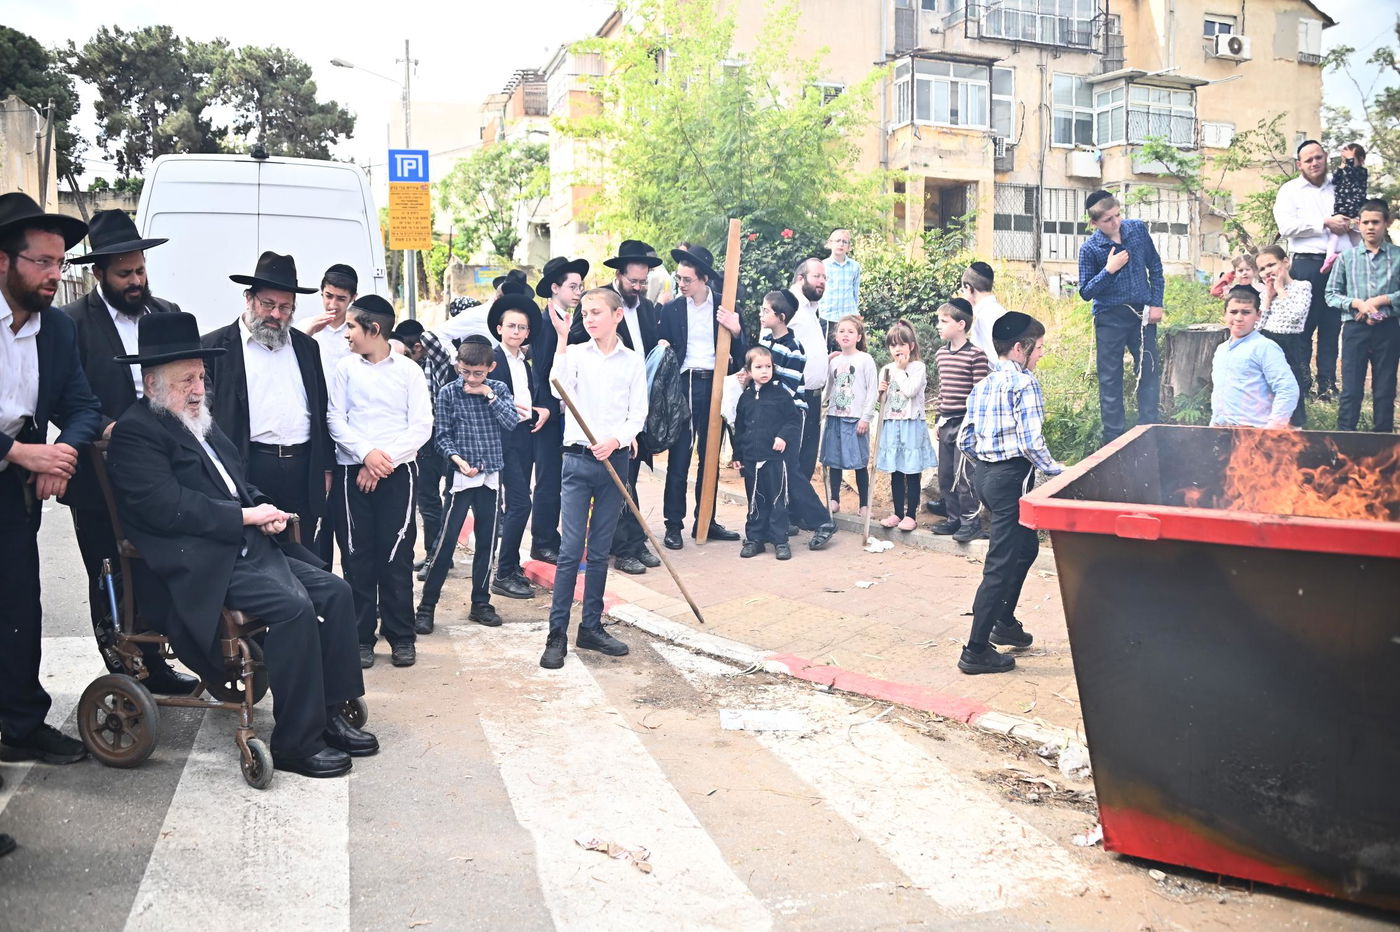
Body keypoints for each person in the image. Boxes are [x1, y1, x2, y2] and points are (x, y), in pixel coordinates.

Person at [106, 312, 376, 778]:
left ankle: (330, 713)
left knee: (336, 592)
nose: (198, 389)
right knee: (293, 607)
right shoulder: (138, 432)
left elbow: (236, 483)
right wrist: (245, 516)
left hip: (246, 547)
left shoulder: (198, 422)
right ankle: (296, 742)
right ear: (152, 383)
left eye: (201, 377)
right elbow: (166, 507)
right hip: (200, 563)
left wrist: (264, 510)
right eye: (186, 380)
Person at [59, 208, 195, 694]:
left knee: (154, 563)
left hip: (164, 472)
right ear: (98, 273)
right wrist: (107, 426)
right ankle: (124, 673)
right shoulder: (70, 324)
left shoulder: (167, 314)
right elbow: (61, 396)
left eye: (141, 270)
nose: (137, 281)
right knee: (108, 569)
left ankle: (157, 664)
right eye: (125, 274)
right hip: (99, 475)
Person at [0, 192, 101, 765]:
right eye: (42, 261)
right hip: (13, 463)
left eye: (60, 263)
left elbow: (83, 405)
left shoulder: (56, 329)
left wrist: (59, 452)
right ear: (3, 261)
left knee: (19, 607)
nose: (54, 275)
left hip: (14, 495)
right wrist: (21, 453)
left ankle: (21, 724)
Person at [540, 287, 648, 670]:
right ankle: (556, 635)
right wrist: (562, 338)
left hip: (614, 463)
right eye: (585, 312)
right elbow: (558, 385)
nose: (589, 317)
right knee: (571, 551)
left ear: (617, 315)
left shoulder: (633, 361)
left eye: (597, 311)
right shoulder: (575, 355)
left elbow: (638, 414)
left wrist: (617, 439)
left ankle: (591, 627)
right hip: (577, 462)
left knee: (601, 551)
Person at [202, 252, 334, 556]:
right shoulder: (213, 348)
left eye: (285, 307)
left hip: (302, 469)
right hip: (248, 467)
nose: (276, 314)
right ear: (249, 299)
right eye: (268, 305)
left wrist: (324, 467)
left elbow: (320, 409)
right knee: (252, 558)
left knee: (304, 555)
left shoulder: (306, 347)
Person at [327, 295, 433, 669]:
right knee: (357, 556)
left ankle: (401, 636)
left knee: (396, 557)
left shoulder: (409, 371)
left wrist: (380, 462)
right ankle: (360, 638)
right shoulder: (345, 368)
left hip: (397, 473)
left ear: (373, 329)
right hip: (351, 471)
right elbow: (335, 419)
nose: (347, 335)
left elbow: (421, 425)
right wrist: (365, 455)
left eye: (352, 327)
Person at [957, 311, 1063, 675]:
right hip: (1009, 478)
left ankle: (1003, 621)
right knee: (1000, 564)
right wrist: (1058, 470)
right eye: (1039, 348)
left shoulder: (984, 384)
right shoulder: (1024, 383)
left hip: (986, 476)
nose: (1041, 355)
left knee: (1026, 546)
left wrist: (988, 465)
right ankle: (975, 650)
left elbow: (965, 438)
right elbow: (1032, 441)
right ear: (1020, 348)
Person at [414, 336, 521, 634]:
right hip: (461, 475)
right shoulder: (449, 392)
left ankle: (481, 603)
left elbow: (511, 422)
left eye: (478, 373)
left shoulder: (497, 389)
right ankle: (426, 607)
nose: (471, 379)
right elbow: (442, 435)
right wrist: (457, 460)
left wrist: (488, 394)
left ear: (490, 368)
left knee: (487, 542)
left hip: (490, 475)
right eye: (465, 372)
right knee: (446, 542)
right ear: (458, 367)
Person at [656, 243, 746, 548]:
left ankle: (705, 520)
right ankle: (672, 524)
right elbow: (663, 352)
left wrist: (736, 331)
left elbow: (744, 354)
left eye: (687, 279)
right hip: (682, 386)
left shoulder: (725, 305)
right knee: (679, 458)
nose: (681, 284)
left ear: (704, 279)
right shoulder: (671, 309)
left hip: (714, 384)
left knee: (710, 459)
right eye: (679, 278)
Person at [590, 240, 663, 575]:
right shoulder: (600, 304)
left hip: (638, 407)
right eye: (633, 281)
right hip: (609, 411)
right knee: (616, 484)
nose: (638, 287)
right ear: (618, 275)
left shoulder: (646, 308)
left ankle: (635, 541)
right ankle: (621, 550)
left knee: (632, 479)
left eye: (643, 282)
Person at [1078, 191, 1164, 446]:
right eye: (1107, 219)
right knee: (1110, 379)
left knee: (1148, 370)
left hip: (1142, 313)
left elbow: (1155, 266)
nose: (1115, 222)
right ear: (1094, 223)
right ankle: (1113, 441)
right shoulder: (1090, 249)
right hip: (1109, 317)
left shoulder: (1136, 230)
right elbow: (1085, 292)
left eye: (1117, 215)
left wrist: (1156, 303)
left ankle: (1150, 430)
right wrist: (1108, 270)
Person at [1274, 139, 1353, 400]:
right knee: (1303, 326)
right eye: (1308, 160)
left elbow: (1358, 221)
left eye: (1318, 157)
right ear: (1299, 164)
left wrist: (1349, 225)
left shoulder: (1341, 186)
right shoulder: (1290, 190)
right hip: (1307, 264)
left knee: (1332, 327)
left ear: (1326, 156)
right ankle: (1302, 384)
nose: (1314, 163)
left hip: (1341, 264)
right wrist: (1324, 223)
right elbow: (1286, 226)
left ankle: (1328, 385)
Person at [755, 289, 835, 547]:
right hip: (767, 415)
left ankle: (822, 520)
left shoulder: (794, 348)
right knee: (772, 468)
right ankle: (774, 523)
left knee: (789, 469)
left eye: (766, 310)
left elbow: (786, 389)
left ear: (780, 316)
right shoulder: (765, 343)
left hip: (789, 415)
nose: (761, 314)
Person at [487, 294, 547, 600]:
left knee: (520, 501)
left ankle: (511, 566)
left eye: (522, 327)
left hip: (525, 436)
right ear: (499, 328)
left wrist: (540, 410)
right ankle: (503, 571)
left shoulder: (525, 363)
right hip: (503, 440)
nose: (516, 331)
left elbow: (526, 398)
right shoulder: (493, 361)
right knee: (521, 503)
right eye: (511, 326)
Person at [529, 256, 589, 564]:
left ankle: (552, 537)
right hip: (547, 409)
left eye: (580, 286)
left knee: (560, 476)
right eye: (572, 286)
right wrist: (550, 406)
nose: (578, 291)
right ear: (555, 288)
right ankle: (542, 540)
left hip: (564, 409)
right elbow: (542, 369)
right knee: (549, 477)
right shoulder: (545, 321)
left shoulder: (567, 319)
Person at [1325, 199, 1400, 433]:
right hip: (1355, 329)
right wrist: (1357, 304)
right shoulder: (1347, 257)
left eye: (1376, 222)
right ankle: (1345, 440)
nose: (1370, 227)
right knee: (1351, 388)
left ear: (1387, 223)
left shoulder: (1398, 256)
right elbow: (1331, 294)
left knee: (1385, 388)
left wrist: (1381, 300)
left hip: (1387, 329)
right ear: (1358, 224)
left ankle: (1382, 445)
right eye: (1365, 222)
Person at [732, 346, 800, 561]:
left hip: (774, 459)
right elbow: (740, 428)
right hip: (751, 458)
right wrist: (738, 455)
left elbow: (793, 420)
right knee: (754, 499)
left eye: (768, 366)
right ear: (749, 371)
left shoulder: (781, 395)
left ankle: (780, 540)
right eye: (758, 367)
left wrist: (782, 437)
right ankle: (755, 539)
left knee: (777, 499)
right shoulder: (745, 398)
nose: (764, 371)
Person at [931, 298, 990, 542]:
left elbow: (979, 394)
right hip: (946, 421)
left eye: (944, 321)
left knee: (963, 475)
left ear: (961, 324)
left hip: (966, 423)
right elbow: (943, 390)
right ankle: (953, 519)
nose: (938, 326)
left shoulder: (976, 355)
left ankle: (970, 521)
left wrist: (975, 426)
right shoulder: (941, 354)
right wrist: (938, 419)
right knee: (945, 474)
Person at [875, 320, 937, 532]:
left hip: (911, 424)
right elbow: (883, 403)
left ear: (911, 346)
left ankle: (911, 514)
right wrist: (880, 392)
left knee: (911, 471)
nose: (897, 349)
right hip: (892, 424)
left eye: (902, 344)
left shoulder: (918, 367)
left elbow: (910, 391)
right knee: (895, 471)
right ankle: (897, 513)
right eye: (893, 345)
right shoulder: (886, 369)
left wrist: (900, 371)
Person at [1210, 287, 1299, 429]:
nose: (1238, 318)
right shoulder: (1221, 350)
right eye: (1233, 312)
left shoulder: (1265, 347)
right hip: (1221, 431)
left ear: (1258, 315)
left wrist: (1272, 429)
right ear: (1225, 314)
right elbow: (1219, 393)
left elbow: (1287, 389)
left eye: (1246, 312)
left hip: (1254, 433)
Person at [820, 315, 877, 519]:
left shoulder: (865, 360)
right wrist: (820, 410)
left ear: (859, 336)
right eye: (842, 331)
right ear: (836, 335)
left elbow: (872, 391)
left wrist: (866, 418)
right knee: (834, 460)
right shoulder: (834, 361)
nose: (846, 335)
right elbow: (827, 388)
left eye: (851, 331)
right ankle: (834, 499)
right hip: (835, 417)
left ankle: (864, 503)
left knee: (859, 462)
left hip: (855, 419)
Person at [1256, 246, 1311, 427]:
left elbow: (1296, 316)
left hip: (1289, 345)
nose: (1267, 272)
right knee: (1266, 391)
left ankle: (1294, 430)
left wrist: (1280, 289)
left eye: (1271, 265)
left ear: (1286, 262)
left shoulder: (1302, 287)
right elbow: (1256, 327)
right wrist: (1267, 299)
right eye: (1262, 269)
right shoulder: (1265, 294)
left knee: (1291, 389)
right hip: (1266, 343)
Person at [788, 259, 831, 494]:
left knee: (806, 456)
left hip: (814, 395)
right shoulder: (790, 303)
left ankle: (798, 510)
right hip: (795, 394)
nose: (822, 282)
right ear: (800, 278)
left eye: (824, 278)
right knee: (793, 455)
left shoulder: (811, 308)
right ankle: (787, 512)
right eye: (817, 276)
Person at [301, 264, 359, 374]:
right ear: (322, 292)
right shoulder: (304, 326)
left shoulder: (361, 332)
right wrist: (309, 333)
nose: (332, 305)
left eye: (341, 299)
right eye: (329, 296)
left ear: (353, 298)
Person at [1323, 143, 1368, 274]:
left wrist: (1347, 163)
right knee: (1340, 234)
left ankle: (1357, 260)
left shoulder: (1361, 172)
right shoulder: (1343, 172)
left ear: (1361, 160)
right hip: (1343, 208)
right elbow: (1334, 180)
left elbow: (1351, 172)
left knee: (1354, 235)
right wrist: (1341, 166)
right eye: (1344, 159)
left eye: (1350, 159)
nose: (1347, 163)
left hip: (1353, 210)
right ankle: (1331, 257)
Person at [962, 260, 1008, 361]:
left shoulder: (983, 317)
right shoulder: (1001, 311)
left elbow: (993, 358)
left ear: (969, 288)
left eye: (963, 290)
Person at [819, 229, 861, 332]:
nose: (841, 244)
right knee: (827, 347)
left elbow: (855, 293)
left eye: (844, 242)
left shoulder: (855, 266)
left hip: (848, 317)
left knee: (847, 347)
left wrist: (855, 313)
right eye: (837, 241)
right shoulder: (823, 265)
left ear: (848, 246)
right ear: (830, 243)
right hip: (828, 316)